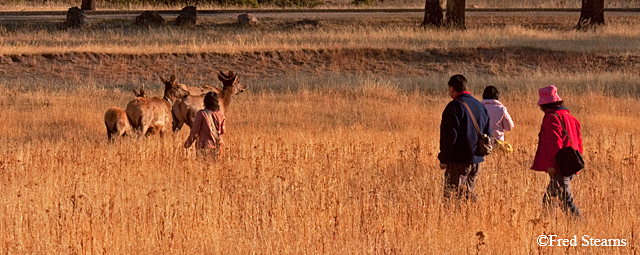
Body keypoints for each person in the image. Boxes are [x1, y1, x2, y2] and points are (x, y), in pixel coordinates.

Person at [531, 85, 583, 218]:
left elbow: (554, 144)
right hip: (571, 164)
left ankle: (581, 226)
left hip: (560, 166)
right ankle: (545, 227)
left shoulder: (551, 118)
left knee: (566, 201)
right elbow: (579, 143)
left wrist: (551, 164)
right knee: (549, 200)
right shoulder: (570, 117)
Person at [438, 74, 491, 203]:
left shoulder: (453, 107)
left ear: (452, 89)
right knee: (466, 195)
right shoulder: (480, 106)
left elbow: (449, 136)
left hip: (458, 161)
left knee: (452, 199)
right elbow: (488, 133)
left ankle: (474, 210)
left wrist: (444, 158)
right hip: (476, 161)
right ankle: (472, 219)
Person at [184, 92, 226, 158]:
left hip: (203, 147)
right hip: (217, 147)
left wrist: (188, 143)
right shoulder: (221, 114)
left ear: (205, 101)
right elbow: (223, 131)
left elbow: (195, 132)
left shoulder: (201, 114)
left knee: (203, 167)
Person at [481, 86, 514, 152]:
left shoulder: (478, 108)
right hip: (498, 145)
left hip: (482, 144)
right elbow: (509, 127)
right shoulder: (501, 109)